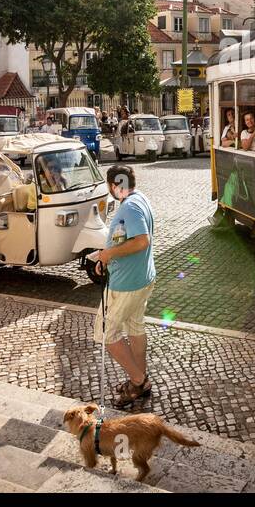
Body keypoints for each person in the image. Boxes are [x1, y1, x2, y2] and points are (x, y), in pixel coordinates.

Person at [87, 165, 156, 409]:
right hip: (140, 279)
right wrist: (106, 256)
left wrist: (108, 255)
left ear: (114, 185)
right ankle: (137, 380)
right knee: (135, 326)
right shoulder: (140, 199)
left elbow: (141, 241)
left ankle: (139, 380)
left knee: (106, 332)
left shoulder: (130, 206)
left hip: (126, 284)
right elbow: (125, 238)